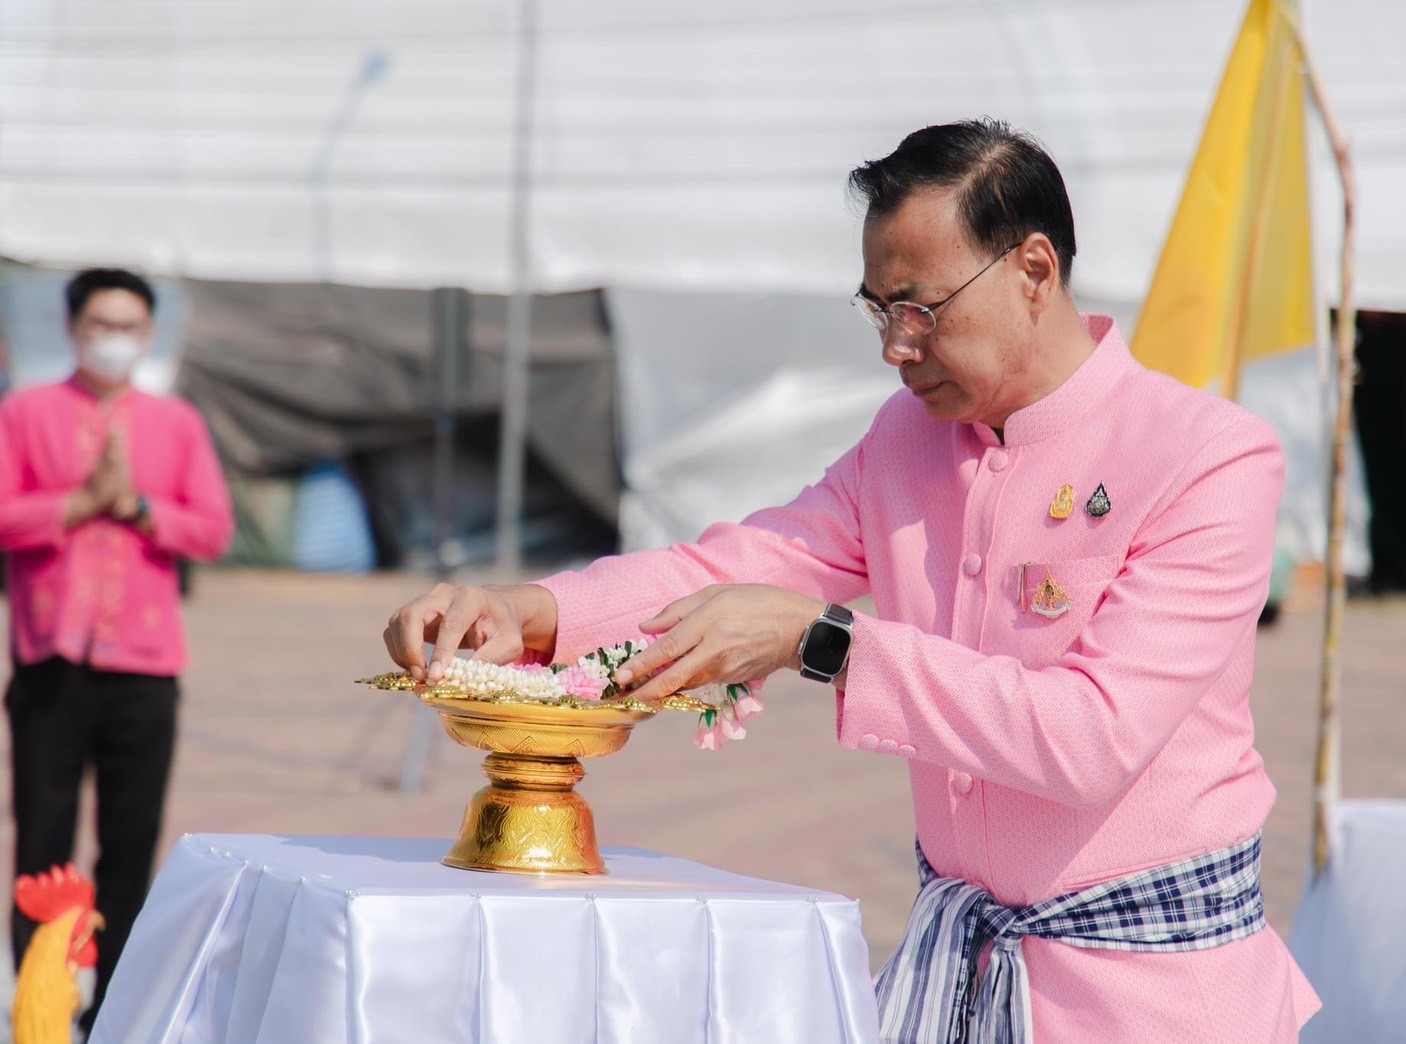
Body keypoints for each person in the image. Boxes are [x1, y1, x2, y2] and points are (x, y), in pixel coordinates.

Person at [384, 119, 1319, 1042]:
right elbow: (743, 566)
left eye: (922, 309)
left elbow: (1091, 737)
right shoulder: (908, 441)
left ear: (1035, 270)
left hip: (1156, 1003)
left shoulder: (1206, 458)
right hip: (968, 974)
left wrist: (820, 640)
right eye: (879, 311)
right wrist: (527, 611)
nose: (895, 348)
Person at [0, 268, 234, 1029]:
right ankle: (42, 1005)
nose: (115, 339)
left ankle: (120, 1009)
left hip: (145, 663)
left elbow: (211, 528)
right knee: (43, 839)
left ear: (151, 332)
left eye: (130, 325)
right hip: (51, 659)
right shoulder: (25, 413)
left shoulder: (177, 425)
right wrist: (77, 505)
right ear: (72, 328)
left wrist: (134, 508)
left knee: (130, 844)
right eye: (102, 323)